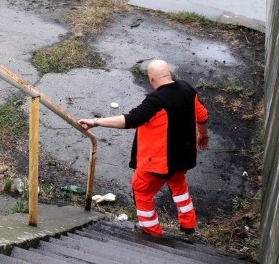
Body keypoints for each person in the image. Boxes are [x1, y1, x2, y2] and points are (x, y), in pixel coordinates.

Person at [78, 59, 209, 237]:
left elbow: (130, 120)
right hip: (183, 157)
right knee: (179, 186)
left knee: (141, 191)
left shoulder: (156, 101)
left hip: (158, 162)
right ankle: (188, 223)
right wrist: (203, 134)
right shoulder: (187, 88)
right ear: (169, 73)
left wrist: (95, 122)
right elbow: (202, 115)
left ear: (151, 79)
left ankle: (152, 231)